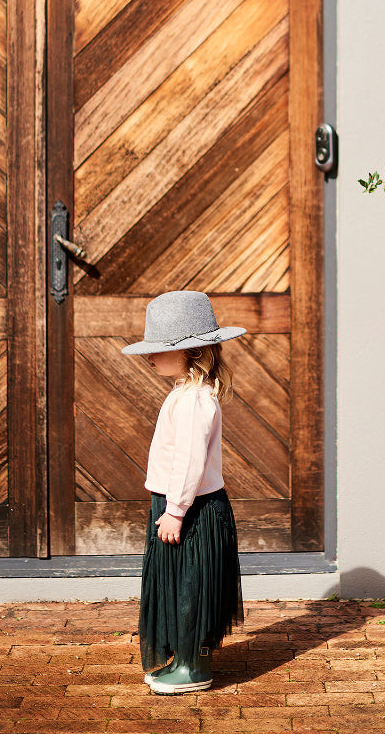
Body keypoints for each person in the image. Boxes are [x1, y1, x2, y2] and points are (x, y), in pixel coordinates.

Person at [122, 290, 245, 695]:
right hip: (179, 504)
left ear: (193, 352)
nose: (149, 356)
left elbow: (190, 462)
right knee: (177, 584)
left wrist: (175, 510)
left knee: (191, 585)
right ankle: (185, 658)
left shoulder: (194, 401)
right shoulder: (184, 393)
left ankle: (194, 668)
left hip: (191, 509)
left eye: (158, 349)